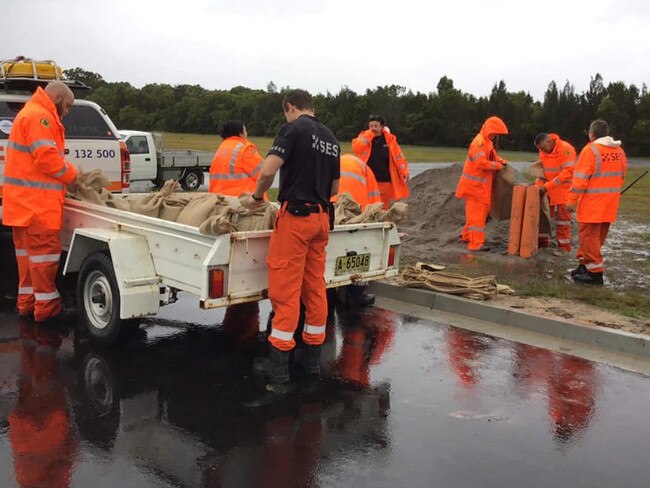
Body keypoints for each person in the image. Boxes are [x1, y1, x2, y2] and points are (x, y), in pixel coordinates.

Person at [242, 89, 340, 390]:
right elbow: (335, 184)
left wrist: (257, 197)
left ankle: (279, 372)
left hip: (296, 219)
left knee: (285, 291)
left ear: (289, 107)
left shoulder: (292, 129)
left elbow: (268, 170)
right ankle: (311, 364)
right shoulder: (331, 139)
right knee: (314, 289)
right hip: (322, 219)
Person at [2, 81, 79, 325]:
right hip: (38, 209)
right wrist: (74, 175)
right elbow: (48, 159)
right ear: (56, 97)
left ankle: (26, 305)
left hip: (22, 207)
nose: (66, 112)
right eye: (66, 106)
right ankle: (46, 309)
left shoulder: (29, 113)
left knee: (27, 262)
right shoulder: (40, 117)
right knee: (44, 261)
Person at [567, 119, 627, 285]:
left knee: (588, 237)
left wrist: (571, 200)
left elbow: (580, 179)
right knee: (596, 238)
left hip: (593, 204)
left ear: (591, 134)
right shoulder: (619, 151)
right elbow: (621, 176)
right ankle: (584, 265)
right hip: (610, 203)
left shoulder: (591, 150)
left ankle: (595, 273)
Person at [455, 116, 509, 251]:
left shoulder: (487, 142)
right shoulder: (478, 142)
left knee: (477, 215)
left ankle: (467, 236)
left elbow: (492, 156)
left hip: (481, 187)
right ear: (490, 130)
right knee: (477, 217)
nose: (496, 136)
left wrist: (501, 160)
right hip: (474, 188)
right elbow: (481, 163)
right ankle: (475, 244)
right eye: (495, 133)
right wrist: (498, 166)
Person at [335, 153, 382, 307]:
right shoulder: (365, 169)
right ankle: (355, 292)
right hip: (356, 211)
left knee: (332, 250)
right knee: (357, 251)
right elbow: (375, 201)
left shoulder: (335, 162)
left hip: (334, 208)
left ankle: (329, 291)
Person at [351, 114, 409, 209]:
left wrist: (404, 172)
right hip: (367, 180)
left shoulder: (390, 140)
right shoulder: (365, 137)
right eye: (371, 126)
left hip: (384, 181)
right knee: (367, 207)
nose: (373, 128)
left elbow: (399, 158)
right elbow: (356, 148)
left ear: (381, 127)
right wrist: (369, 135)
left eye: (375, 126)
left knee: (383, 208)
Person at [533, 133, 577, 255]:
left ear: (549, 141)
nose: (542, 151)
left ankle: (564, 247)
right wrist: (538, 186)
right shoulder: (543, 151)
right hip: (550, 190)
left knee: (563, 220)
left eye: (542, 148)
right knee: (545, 217)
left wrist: (547, 186)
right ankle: (542, 243)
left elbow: (568, 172)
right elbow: (542, 173)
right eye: (539, 149)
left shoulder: (566, 149)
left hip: (564, 190)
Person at [209, 119, 264, 196]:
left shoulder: (222, 147)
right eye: (245, 130)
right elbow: (263, 174)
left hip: (218, 198)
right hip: (241, 200)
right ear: (241, 134)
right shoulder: (245, 148)